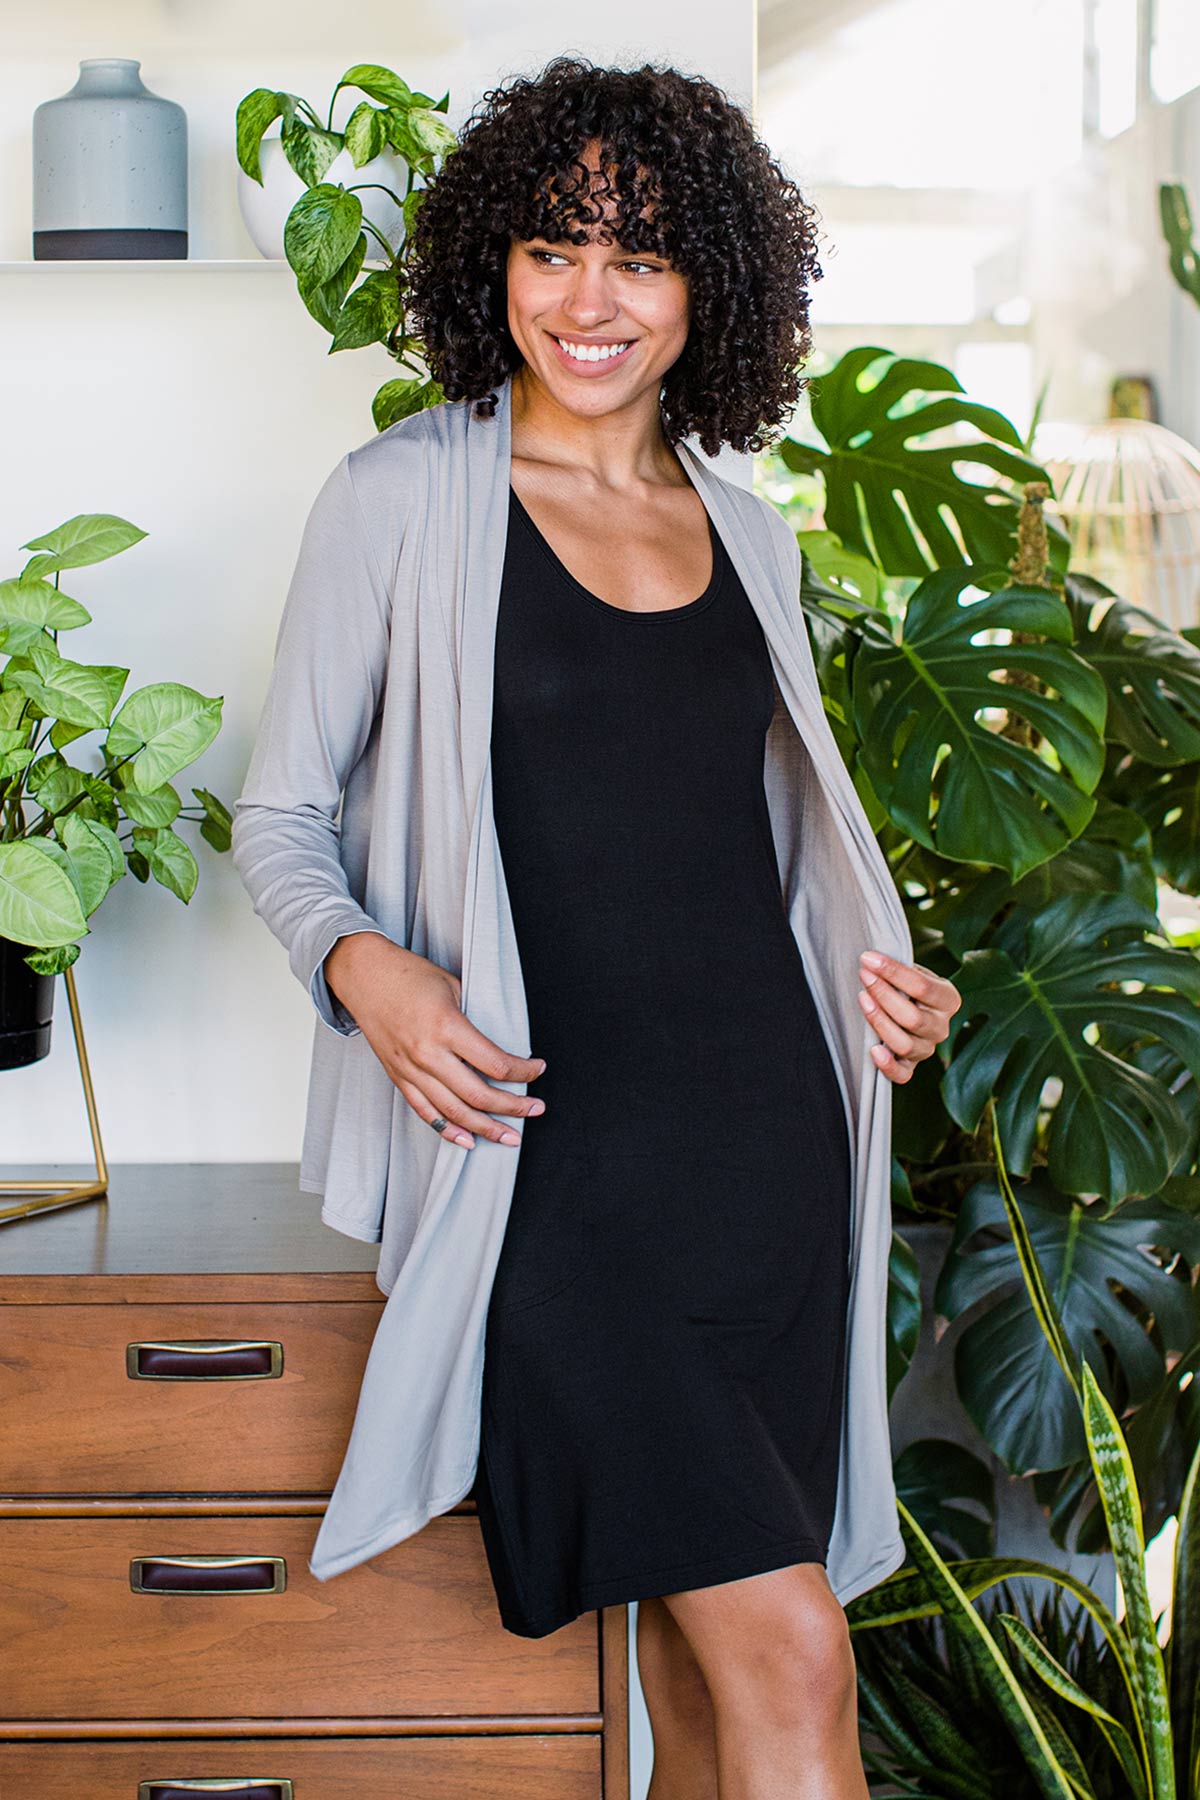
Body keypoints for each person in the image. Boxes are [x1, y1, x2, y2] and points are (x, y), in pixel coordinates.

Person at [238, 56, 961, 1800]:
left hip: (770, 1170)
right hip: (560, 1182)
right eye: (553, 248)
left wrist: (890, 990)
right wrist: (366, 970)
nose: (588, 298)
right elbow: (280, 816)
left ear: (707, 285)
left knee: (712, 1695)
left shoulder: (749, 531)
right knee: (791, 1652)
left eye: (638, 257)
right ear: (493, 261)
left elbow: (765, 854)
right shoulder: (400, 503)